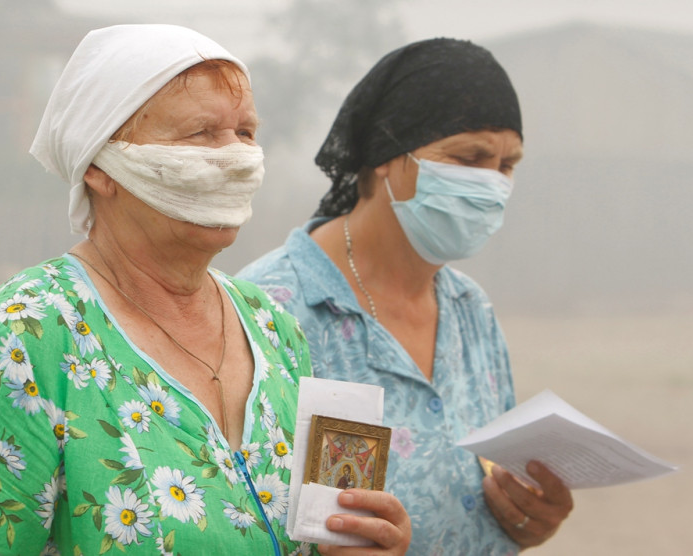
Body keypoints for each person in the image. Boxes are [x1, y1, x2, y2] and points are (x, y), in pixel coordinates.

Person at [0, 25, 410, 555]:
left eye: (246, 133)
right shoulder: (24, 336)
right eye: (201, 134)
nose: (236, 157)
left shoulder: (272, 325)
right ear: (100, 166)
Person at [239, 38, 574, 554]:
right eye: (468, 157)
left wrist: (529, 520)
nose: (491, 185)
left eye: (507, 166)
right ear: (386, 158)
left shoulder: (471, 310)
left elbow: (489, 496)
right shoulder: (268, 309)